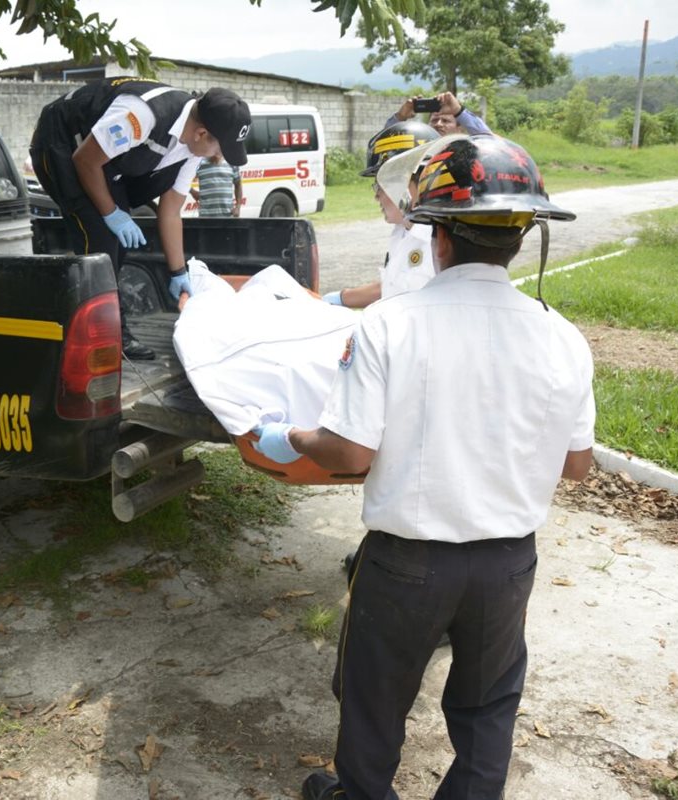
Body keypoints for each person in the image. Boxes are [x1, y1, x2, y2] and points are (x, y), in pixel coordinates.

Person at [254, 135, 595, 800]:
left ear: (437, 237)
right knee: (487, 707)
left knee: (374, 699)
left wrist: (291, 435)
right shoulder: (562, 337)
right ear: (521, 239)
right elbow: (577, 465)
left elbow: (351, 453)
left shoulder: (392, 325)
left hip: (408, 562)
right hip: (507, 563)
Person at [29, 77, 252, 359]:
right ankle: (103, 337)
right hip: (63, 143)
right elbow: (85, 160)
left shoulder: (192, 147)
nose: (218, 156)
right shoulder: (142, 115)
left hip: (105, 160)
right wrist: (112, 214)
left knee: (117, 243)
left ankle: (105, 324)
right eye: (220, 148)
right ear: (201, 133)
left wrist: (178, 271)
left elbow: (171, 209)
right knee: (99, 237)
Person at [322, 120, 439, 309]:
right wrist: (340, 298)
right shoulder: (403, 231)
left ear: (406, 183)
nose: (376, 196)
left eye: (381, 185)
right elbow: (393, 286)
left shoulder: (438, 241)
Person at [387, 91, 492, 137]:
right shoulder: (418, 150)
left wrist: (459, 112)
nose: (438, 124)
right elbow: (385, 142)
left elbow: (488, 139)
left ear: (460, 128)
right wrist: (400, 117)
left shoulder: (466, 150)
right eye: (434, 120)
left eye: (445, 121)